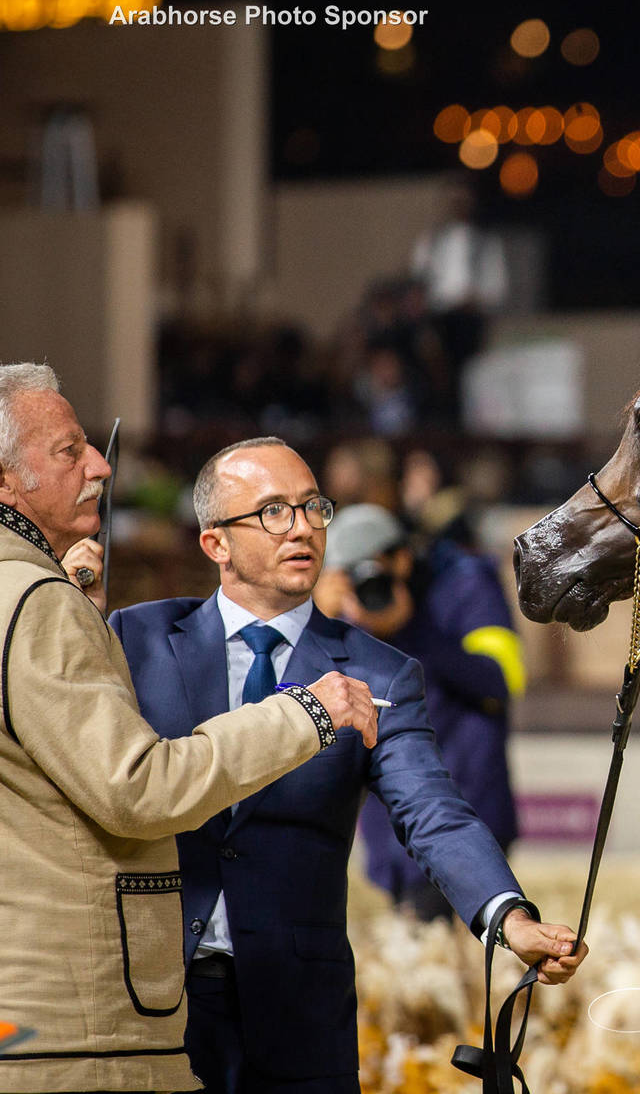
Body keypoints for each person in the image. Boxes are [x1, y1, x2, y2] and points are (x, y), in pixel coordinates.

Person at [66, 436, 585, 1094]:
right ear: (215, 543)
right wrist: (69, 617)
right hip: (151, 1002)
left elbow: (433, 812)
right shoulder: (133, 638)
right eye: (273, 511)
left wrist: (509, 918)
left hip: (301, 1016)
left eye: (313, 507)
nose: (302, 528)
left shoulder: (379, 671)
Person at [0, 363, 377, 1094]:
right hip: (77, 1037)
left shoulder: (38, 597)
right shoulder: (38, 603)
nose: (100, 466)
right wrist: (303, 712)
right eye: (69, 450)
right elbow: (137, 788)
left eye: (311, 507)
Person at [313, 502, 523, 919]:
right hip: (392, 825)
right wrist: (318, 622)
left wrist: (409, 628)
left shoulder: (465, 583)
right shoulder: (341, 615)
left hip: (467, 813)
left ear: (401, 558)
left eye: (371, 569)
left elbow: (501, 680)